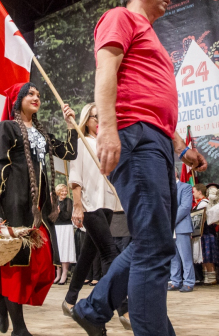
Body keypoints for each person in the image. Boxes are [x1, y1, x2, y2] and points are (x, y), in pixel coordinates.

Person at [72, 0, 207, 336]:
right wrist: (109, 130)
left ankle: (93, 308)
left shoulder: (152, 37)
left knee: (154, 240)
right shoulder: (120, 17)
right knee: (153, 244)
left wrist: (180, 147)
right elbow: (105, 72)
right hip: (134, 136)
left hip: (157, 140)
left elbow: (156, 104)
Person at [0, 82, 78, 336]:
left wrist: (70, 126)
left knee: (42, 264)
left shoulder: (42, 133)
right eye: (30, 94)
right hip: (13, 201)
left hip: (38, 209)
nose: (36, 98)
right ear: (17, 99)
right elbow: (0, 165)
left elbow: (69, 152)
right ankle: (16, 325)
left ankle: (2, 302)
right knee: (16, 263)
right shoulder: (7, 127)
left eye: (38, 95)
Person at [62, 102, 129, 330]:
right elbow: (75, 175)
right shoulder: (81, 142)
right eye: (94, 117)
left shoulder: (106, 145)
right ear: (86, 120)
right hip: (90, 205)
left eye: (102, 117)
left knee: (88, 255)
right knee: (110, 254)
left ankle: (70, 299)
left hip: (108, 203)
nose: (99, 121)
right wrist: (78, 205)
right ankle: (124, 309)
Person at [193, 183, 219, 285]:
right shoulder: (199, 203)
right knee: (203, 256)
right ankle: (207, 276)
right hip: (202, 233)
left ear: (199, 192)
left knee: (208, 256)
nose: (192, 194)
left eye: (193, 192)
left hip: (207, 232)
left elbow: (203, 219)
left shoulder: (204, 203)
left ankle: (211, 277)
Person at [168, 180, 195, 292]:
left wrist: (170, 220)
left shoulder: (185, 187)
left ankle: (189, 282)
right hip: (168, 228)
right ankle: (175, 281)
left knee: (185, 256)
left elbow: (185, 207)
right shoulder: (165, 188)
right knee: (173, 257)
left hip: (180, 226)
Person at [53, 184, 75, 285]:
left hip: (66, 227)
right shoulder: (54, 201)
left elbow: (67, 215)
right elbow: (51, 217)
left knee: (65, 250)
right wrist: (55, 213)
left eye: (66, 191)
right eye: (62, 191)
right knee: (58, 251)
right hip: (57, 227)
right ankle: (58, 274)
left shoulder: (68, 201)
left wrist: (59, 212)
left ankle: (64, 274)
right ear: (58, 192)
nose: (64, 193)